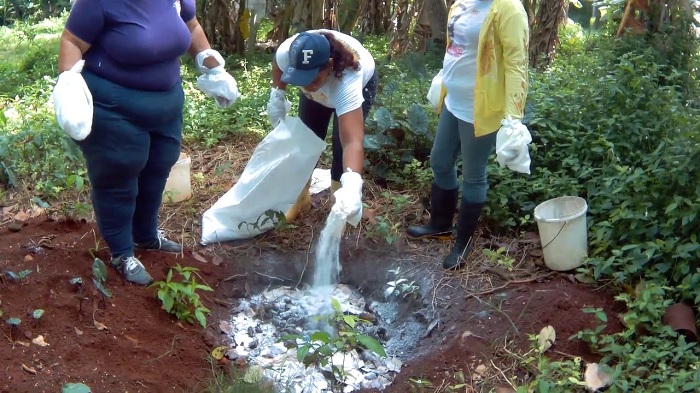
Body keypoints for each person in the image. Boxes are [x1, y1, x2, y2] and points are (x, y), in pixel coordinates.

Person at [54, 0, 239, 285]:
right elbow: (72, 40)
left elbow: (191, 25)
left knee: (160, 164)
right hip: (114, 106)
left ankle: (146, 235)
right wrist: (68, 84)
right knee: (120, 173)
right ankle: (121, 251)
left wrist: (212, 66)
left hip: (166, 103)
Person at [406, 0, 529, 270]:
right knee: (440, 161)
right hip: (454, 100)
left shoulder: (508, 9)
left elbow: (516, 63)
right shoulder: (464, 2)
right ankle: (440, 225)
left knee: (473, 175)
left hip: (481, 107)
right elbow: (457, 46)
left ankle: (463, 243)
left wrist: (513, 117)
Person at [266, 30, 378, 225]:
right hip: (323, 82)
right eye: (301, 79)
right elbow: (278, 64)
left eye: (312, 79)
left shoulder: (348, 80)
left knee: (340, 146)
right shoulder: (289, 52)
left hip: (356, 84)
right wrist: (278, 95)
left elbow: (352, 142)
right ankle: (301, 199)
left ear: (330, 65)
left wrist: (352, 185)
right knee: (306, 139)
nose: (308, 86)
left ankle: (339, 206)